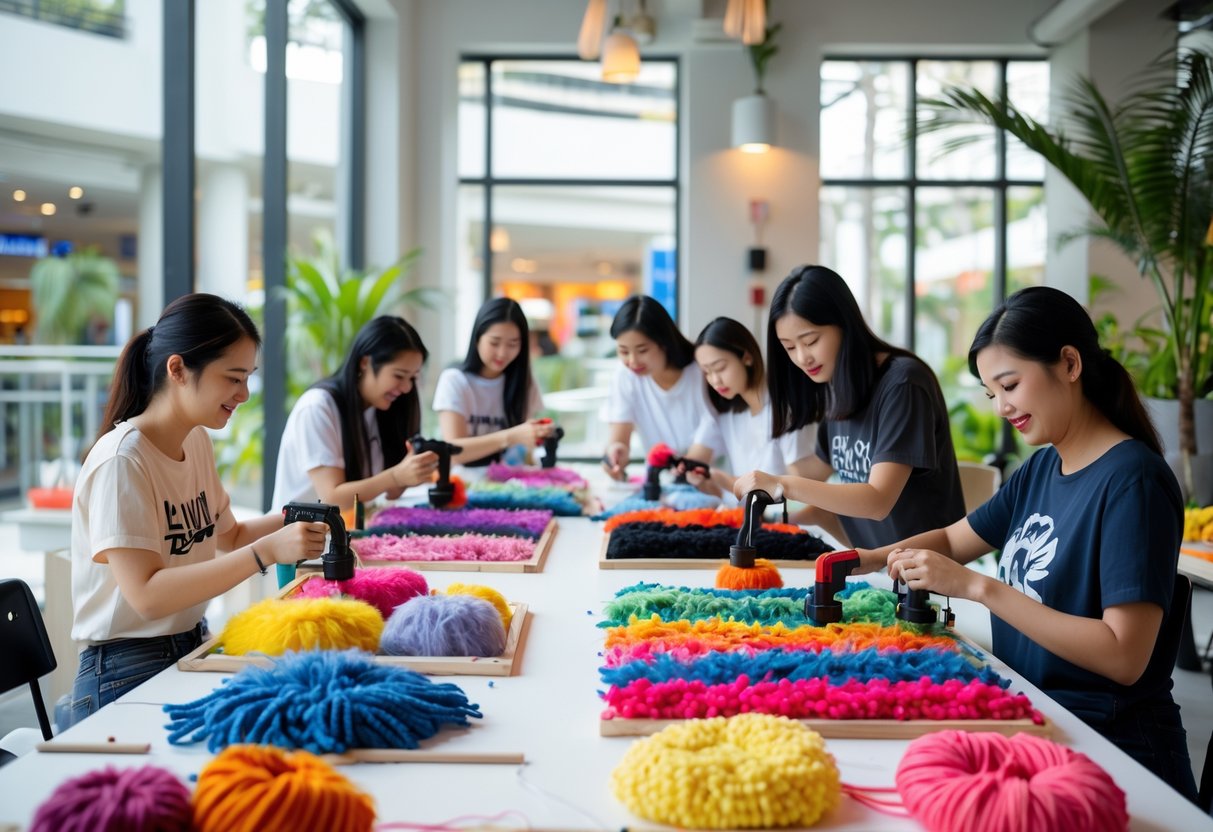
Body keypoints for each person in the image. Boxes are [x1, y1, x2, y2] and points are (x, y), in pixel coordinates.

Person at [870, 285, 1198, 801]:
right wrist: (866, 560)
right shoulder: (1044, 465)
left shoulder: (1133, 482)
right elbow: (956, 539)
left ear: (1069, 363)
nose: (1001, 406)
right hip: (1042, 720)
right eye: (990, 394)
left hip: (1112, 749)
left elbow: (1123, 654)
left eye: (1010, 385)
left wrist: (979, 588)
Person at [67, 294, 328, 726]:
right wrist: (267, 553)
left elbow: (231, 536)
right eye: (233, 378)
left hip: (190, 643)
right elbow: (147, 596)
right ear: (177, 370)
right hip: (122, 671)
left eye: (248, 378)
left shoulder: (194, 440)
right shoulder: (122, 461)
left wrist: (306, 516)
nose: (244, 394)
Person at [732, 265, 964, 548]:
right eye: (789, 348)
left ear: (845, 325)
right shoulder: (838, 383)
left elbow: (877, 501)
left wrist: (782, 485)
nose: (803, 357)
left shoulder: (903, 384)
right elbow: (817, 469)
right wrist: (743, 489)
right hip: (877, 568)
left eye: (811, 341)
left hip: (925, 577)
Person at [271, 315, 440, 586]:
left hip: (349, 547)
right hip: (304, 559)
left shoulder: (379, 410)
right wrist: (397, 475)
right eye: (399, 376)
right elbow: (334, 498)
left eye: (412, 378)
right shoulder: (318, 407)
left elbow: (386, 491)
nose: (407, 388)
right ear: (365, 362)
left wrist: (412, 471)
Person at [681, 316, 815, 503]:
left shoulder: (784, 411)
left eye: (720, 368)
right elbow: (732, 498)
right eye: (706, 372)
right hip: (746, 523)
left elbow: (801, 490)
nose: (715, 380)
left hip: (781, 522)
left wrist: (728, 481)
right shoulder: (727, 415)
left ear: (747, 357)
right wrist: (706, 482)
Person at [433, 297, 553, 466]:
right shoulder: (455, 380)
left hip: (512, 484)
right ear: (477, 339)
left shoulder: (525, 383)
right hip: (463, 484)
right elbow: (454, 451)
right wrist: (510, 436)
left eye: (513, 344)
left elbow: (526, 450)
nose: (502, 353)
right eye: (494, 343)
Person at [602, 295, 711, 481]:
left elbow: (713, 431)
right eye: (623, 351)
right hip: (660, 485)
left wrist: (688, 468)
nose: (632, 361)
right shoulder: (625, 375)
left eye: (642, 350)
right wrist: (615, 454)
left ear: (664, 343)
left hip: (712, 482)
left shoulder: (702, 371)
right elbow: (619, 437)